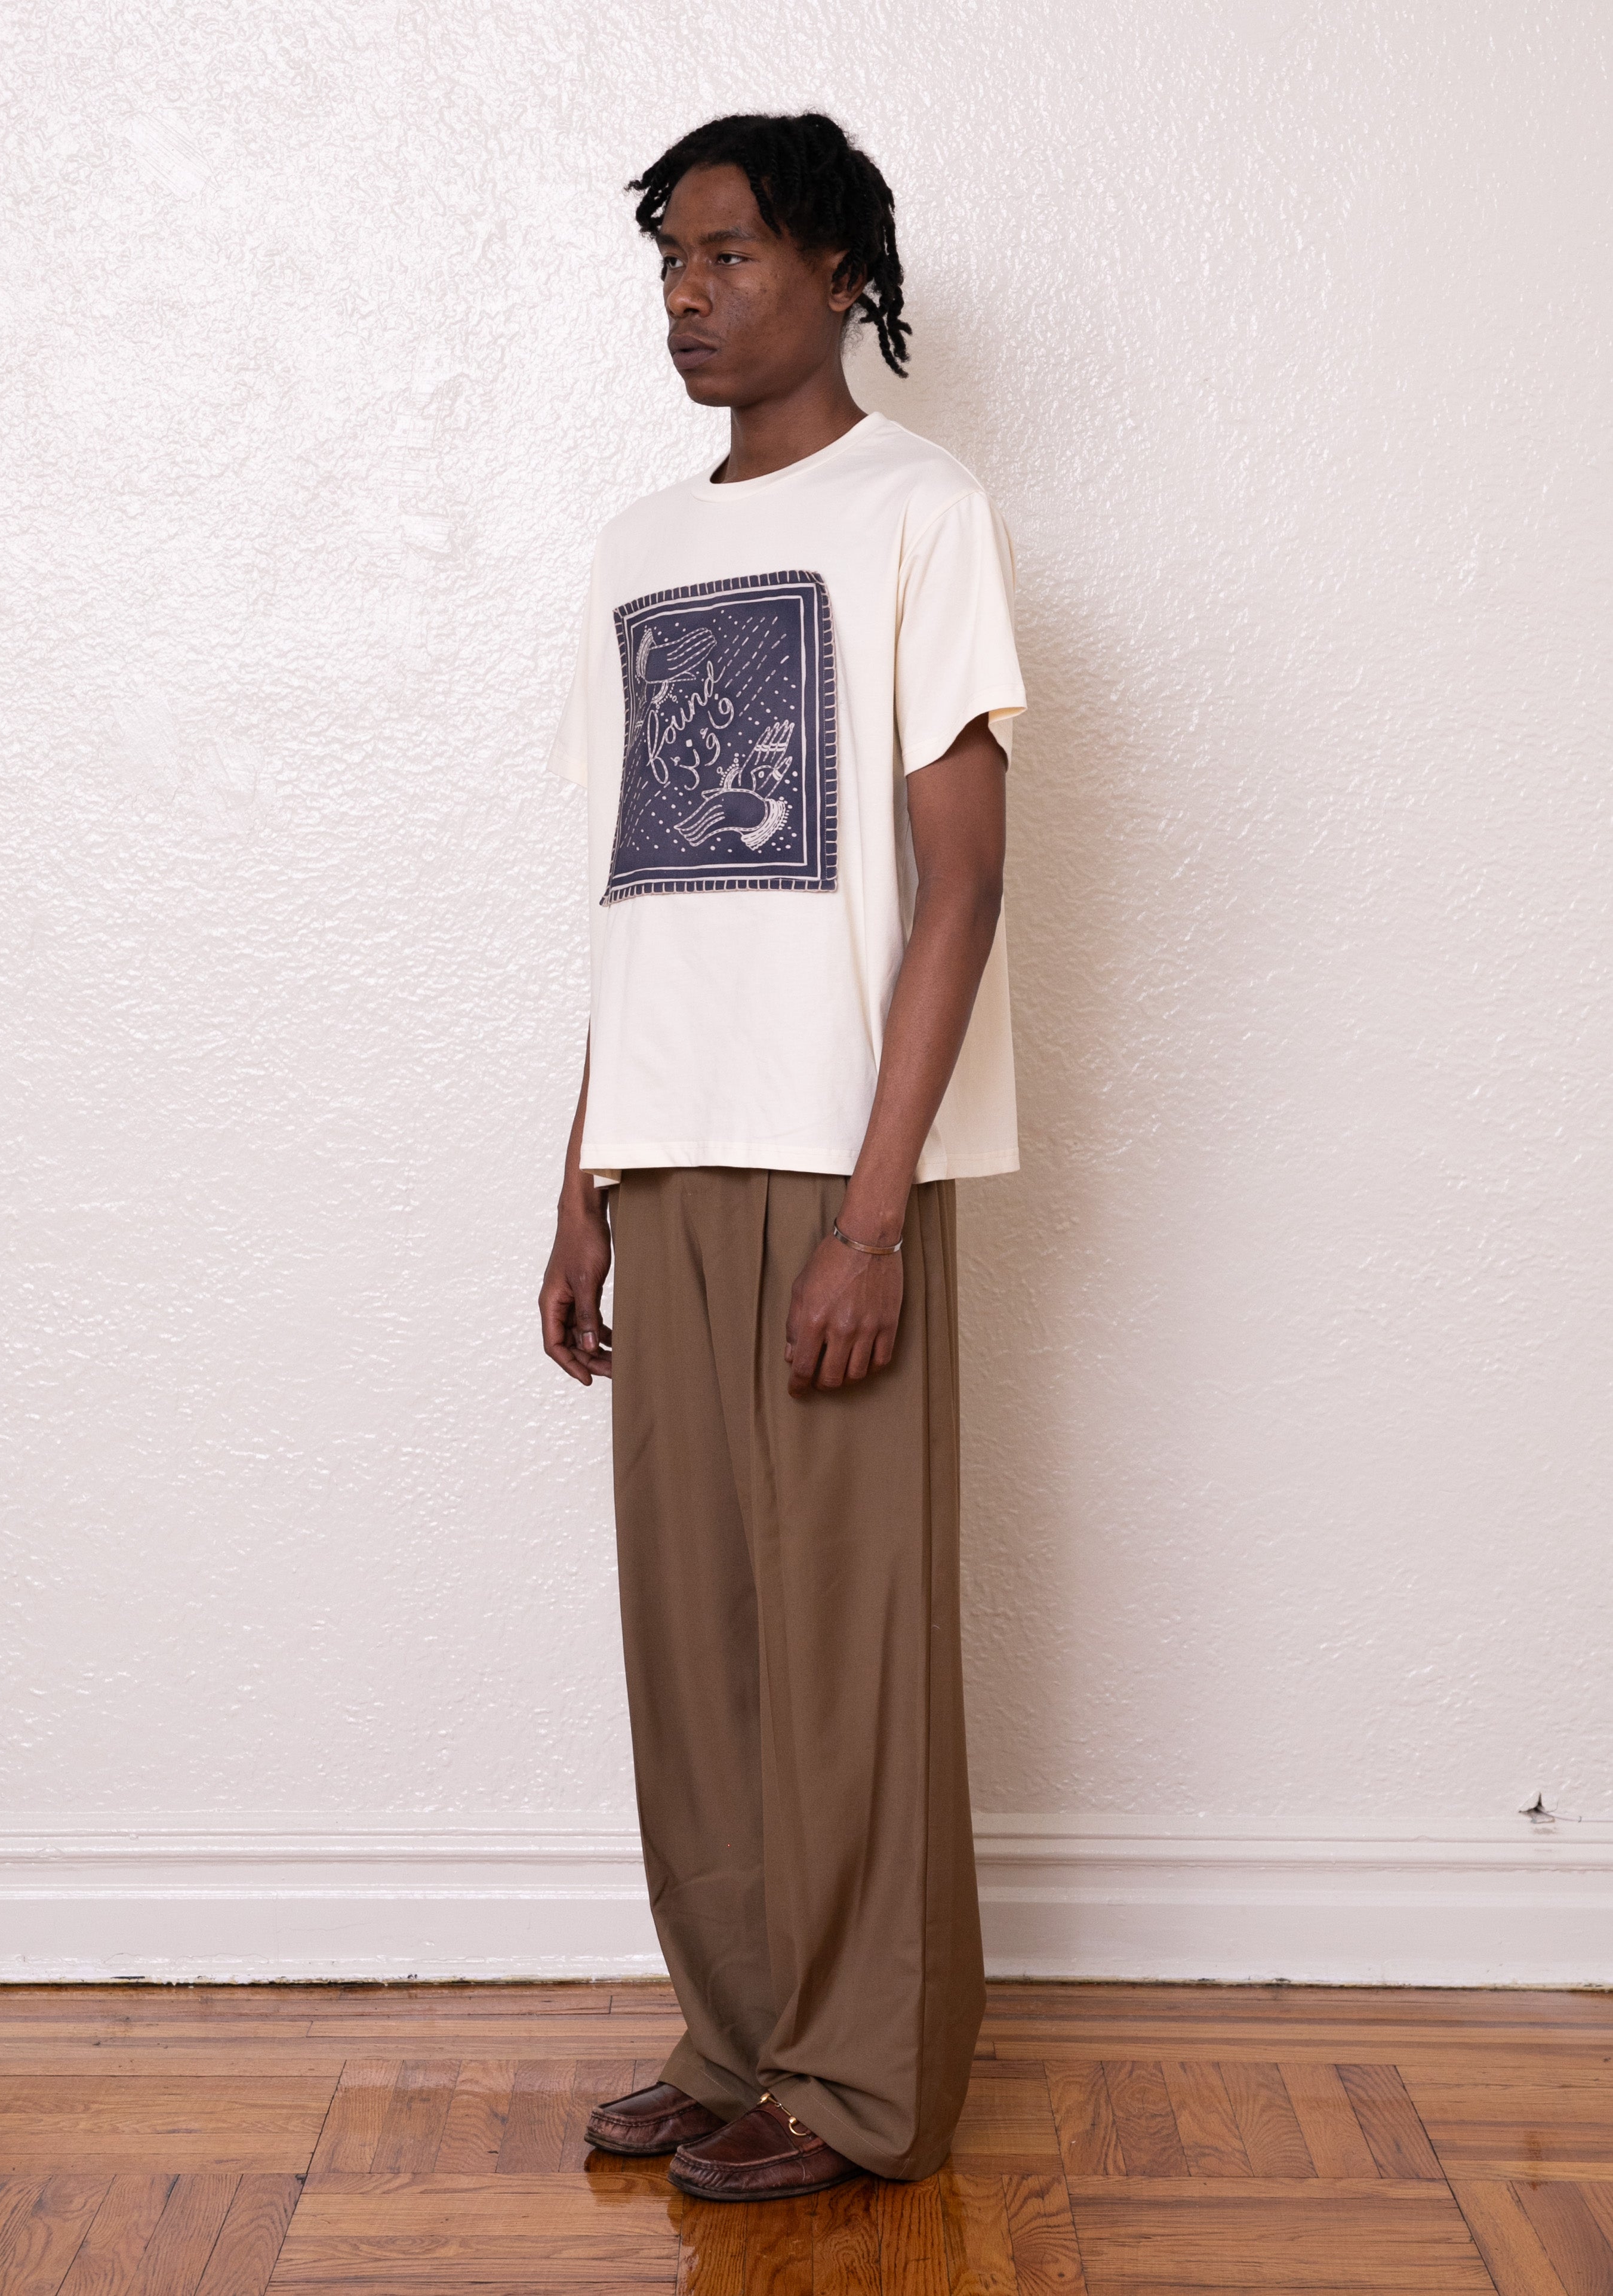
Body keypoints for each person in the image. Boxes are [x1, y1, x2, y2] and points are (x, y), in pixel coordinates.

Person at [537, 110, 1026, 2203]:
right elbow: (630, 892)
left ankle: (854, 2086)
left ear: (840, 273)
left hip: (837, 1168)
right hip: (665, 1146)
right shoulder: (638, 544)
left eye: (729, 256)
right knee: (701, 1641)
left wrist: (874, 1211)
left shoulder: (922, 508)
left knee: (849, 1642)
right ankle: (732, 2040)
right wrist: (576, 1181)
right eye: (669, 263)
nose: (689, 295)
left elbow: (964, 881)